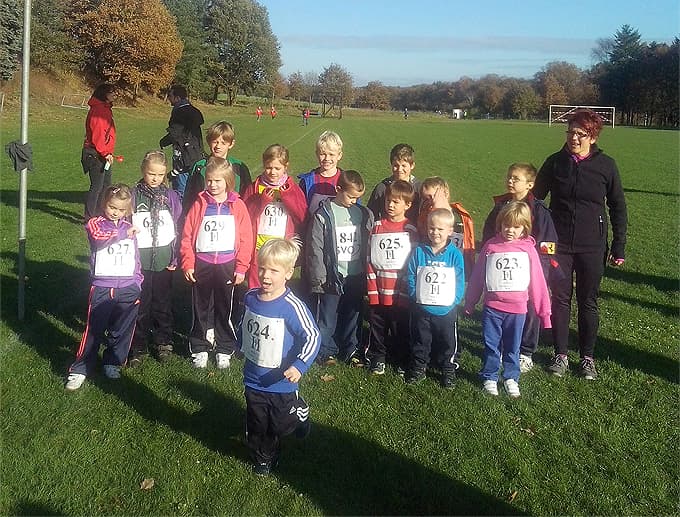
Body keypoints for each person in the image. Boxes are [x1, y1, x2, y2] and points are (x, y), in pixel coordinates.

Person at [533, 108, 627, 380]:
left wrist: (618, 245)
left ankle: (587, 358)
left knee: (588, 301)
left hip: (592, 245)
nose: (573, 137)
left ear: (593, 137)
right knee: (560, 299)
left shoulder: (606, 165)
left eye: (580, 133)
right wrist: (535, 235)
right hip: (557, 245)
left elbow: (618, 206)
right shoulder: (554, 162)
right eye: (570, 132)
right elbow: (536, 200)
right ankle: (560, 355)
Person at [239, 238, 320, 476]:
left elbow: (312, 336)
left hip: (282, 381)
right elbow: (245, 323)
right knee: (258, 423)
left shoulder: (291, 306)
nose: (265, 275)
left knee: (281, 424)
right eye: (262, 267)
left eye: (273, 270)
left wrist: (299, 365)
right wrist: (239, 343)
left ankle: (300, 413)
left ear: (287, 273)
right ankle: (264, 458)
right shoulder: (251, 297)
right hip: (254, 377)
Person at [465, 201, 552, 398]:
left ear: (524, 228)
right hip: (492, 308)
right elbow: (479, 275)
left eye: (516, 226)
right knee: (491, 344)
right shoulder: (491, 246)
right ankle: (490, 376)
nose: (510, 230)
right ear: (500, 224)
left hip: (518, 310)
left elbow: (537, 282)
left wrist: (544, 313)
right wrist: (470, 301)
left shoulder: (528, 250)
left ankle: (511, 377)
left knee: (513, 346)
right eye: (506, 225)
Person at [481, 163, 559, 373]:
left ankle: (525, 352)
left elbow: (548, 244)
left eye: (516, 178)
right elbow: (489, 232)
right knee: (499, 307)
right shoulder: (500, 206)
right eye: (509, 177)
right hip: (501, 271)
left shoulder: (539, 210)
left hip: (529, 271)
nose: (510, 181)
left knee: (530, 309)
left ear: (530, 184)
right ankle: (499, 349)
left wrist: (541, 270)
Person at [65, 184, 142, 391]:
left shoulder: (128, 226)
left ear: (127, 210)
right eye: (111, 207)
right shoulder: (95, 224)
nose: (115, 212)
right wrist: (124, 234)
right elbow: (99, 240)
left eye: (120, 209)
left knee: (122, 328)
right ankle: (80, 369)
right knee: (94, 329)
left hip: (128, 286)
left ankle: (113, 362)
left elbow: (134, 256)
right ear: (104, 204)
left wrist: (138, 280)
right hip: (103, 286)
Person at [180, 157, 253, 369]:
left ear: (228, 182)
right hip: (202, 263)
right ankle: (200, 347)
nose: (213, 185)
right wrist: (188, 262)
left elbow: (246, 238)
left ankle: (224, 348)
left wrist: (241, 267)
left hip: (227, 265)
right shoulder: (199, 204)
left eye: (218, 181)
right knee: (200, 307)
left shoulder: (237, 205)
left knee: (225, 308)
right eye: (209, 180)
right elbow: (187, 235)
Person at [306, 170, 374, 366]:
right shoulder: (323, 214)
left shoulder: (363, 214)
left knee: (353, 313)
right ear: (338, 189)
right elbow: (316, 248)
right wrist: (319, 277)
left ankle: (350, 348)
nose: (354, 201)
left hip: (356, 274)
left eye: (358, 198)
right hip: (332, 275)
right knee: (328, 315)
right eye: (351, 196)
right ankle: (325, 350)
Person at [128, 151, 182, 366]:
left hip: (163, 260)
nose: (155, 178)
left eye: (160, 175)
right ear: (143, 171)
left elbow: (178, 225)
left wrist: (175, 256)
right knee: (141, 304)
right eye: (151, 174)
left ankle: (163, 341)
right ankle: (137, 345)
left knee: (162, 303)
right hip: (139, 262)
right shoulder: (133, 195)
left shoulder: (171, 196)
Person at [405, 208, 465, 388]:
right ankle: (419, 367)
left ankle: (448, 369)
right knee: (421, 339)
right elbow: (411, 274)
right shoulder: (419, 251)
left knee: (448, 341)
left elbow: (460, 278)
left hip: (446, 308)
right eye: (432, 228)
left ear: (450, 231)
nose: (435, 232)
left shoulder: (455, 254)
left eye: (440, 229)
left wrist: (455, 299)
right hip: (422, 307)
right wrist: (414, 293)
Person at [365, 180, 419, 375]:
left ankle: (400, 358)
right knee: (377, 327)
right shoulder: (377, 227)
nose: (390, 205)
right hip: (379, 290)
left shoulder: (410, 231)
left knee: (400, 328)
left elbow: (412, 264)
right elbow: (370, 260)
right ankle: (377, 357)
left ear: (408, 205)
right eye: (388, 200)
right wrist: (372, 290)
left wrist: (406, 292)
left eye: (396, 202)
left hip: (400, 293)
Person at [242, 144, 307, 288]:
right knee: (256, 284)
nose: (272, 172)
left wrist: (288, 197)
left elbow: (302, 216)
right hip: (258, 247)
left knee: (277, 285)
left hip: (281, 248)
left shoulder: (292, 188)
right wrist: (261, 201)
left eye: (277, 168)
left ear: (286, 166)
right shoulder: (254, 187)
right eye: (268, 167)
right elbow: (245, 218)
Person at [183, 121, 252, 216]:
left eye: (223, 143)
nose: (218, 146)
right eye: (215, 142)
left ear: (231, 144)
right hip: (204, 216)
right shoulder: (200, 166)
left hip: (232, 217)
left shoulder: (239, 167)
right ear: (208, 142)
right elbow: (189, 196)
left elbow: (247, 196)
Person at [417, 176, 475, 278]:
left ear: (445, 193)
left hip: (457, 266)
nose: (430, 201)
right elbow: (425, 237)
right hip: (434, 267)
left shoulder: (460, 214)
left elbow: (468, 241)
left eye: (433, 196)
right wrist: (436, 208)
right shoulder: (426, 216)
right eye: (426, 198)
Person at [159, 85, 205, 198]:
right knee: (194, 187)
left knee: (181, 189)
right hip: (197, 153)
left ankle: (182, 212)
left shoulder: (179, 112)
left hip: (183, 156)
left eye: (170, 96)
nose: (169, 98)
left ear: (177, 98)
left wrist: (163, 141)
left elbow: (175, 133)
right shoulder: (194, 111)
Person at [81, 83, 116, 221]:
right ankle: (90, 216)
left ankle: (101, 213)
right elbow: (98, 135)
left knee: (106, 185)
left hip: (103, 154)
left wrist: (108, 153)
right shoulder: (98, 111)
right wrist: (105, 153)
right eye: (112, 92)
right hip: (94, 154)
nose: (115, 95)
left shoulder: (105, 109)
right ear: (104, 94)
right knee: (97, 186)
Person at [366, 143, 421, 222]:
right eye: (396, 165)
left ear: (412, 165)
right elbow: (371, 214)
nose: (399, 169)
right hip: (387, 231)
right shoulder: (382, 188)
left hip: (412, 232)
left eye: (404, 166)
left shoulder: (419, 188)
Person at [298, 131, 344, 216]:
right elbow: (300, 211)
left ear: (339, 155)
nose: (327, 158)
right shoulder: (307, 181)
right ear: (317, 154)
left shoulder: (347, 181)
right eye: (323, 154)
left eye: (331, 154)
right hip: (312, 228)